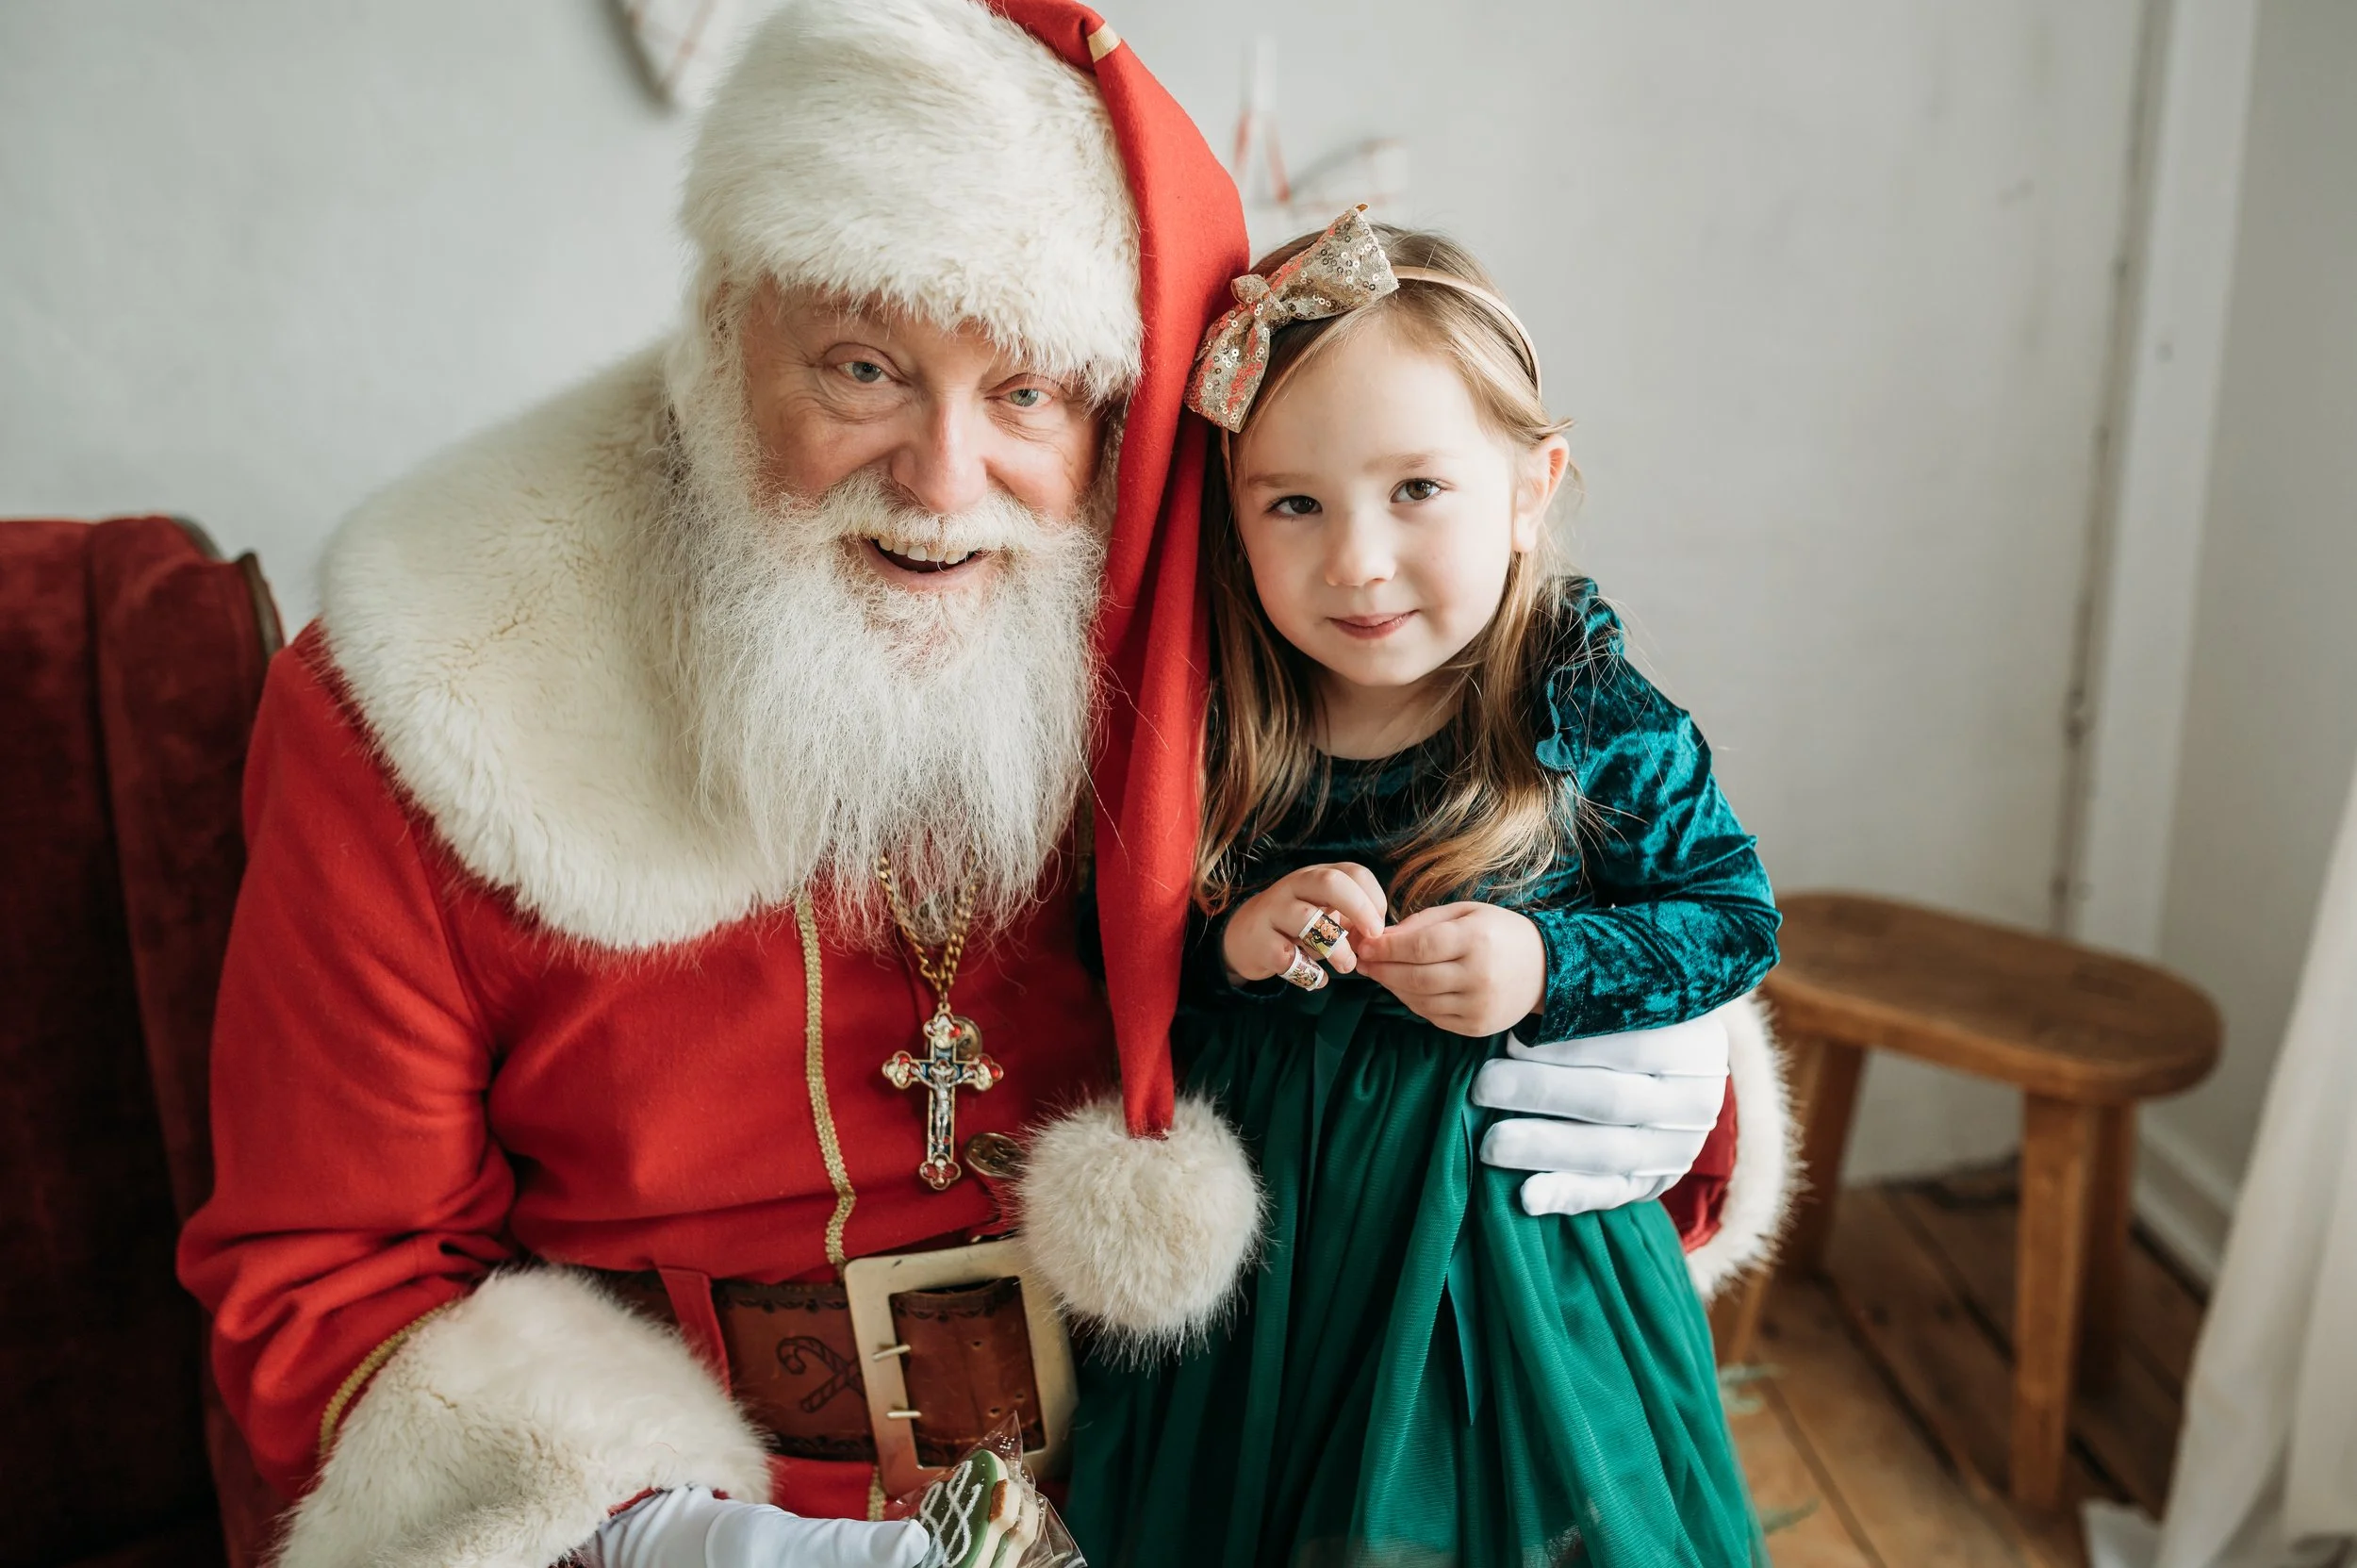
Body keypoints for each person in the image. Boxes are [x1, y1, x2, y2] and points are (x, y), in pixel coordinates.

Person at [174, 6, 1785, 1565]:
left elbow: (1529, 834)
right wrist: (664, 1539)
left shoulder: (1219, 613)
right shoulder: (441, 684)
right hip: (717, 1502)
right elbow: (328, 1274)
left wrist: (1657, 1040)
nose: (944, 483)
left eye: (1027, 391)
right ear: (724, 335)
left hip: (1223, 1464)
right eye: (863, 367)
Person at [1064, 211, 1781, 1568]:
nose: (1357, 560)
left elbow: (1730, 916)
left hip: (1507, 1264)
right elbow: (1099, 959)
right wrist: (1231, 947)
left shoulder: (1581, 706)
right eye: (1295, 502)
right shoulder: (1213, 724)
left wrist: (1544, 965)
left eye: (1417, 490)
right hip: (1278, 1262)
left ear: (1529, 485)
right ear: (1232, 514)